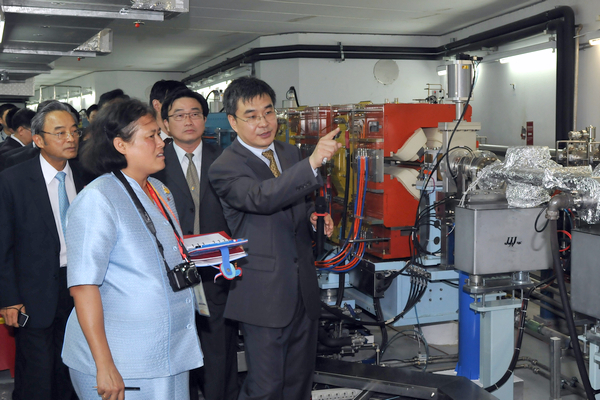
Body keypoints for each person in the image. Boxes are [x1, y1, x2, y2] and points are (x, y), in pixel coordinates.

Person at [208, 76, 340, 400]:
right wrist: (312, 163)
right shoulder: (225, 166)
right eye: (251, 116)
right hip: (263, 295)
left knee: (298, 386)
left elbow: (294, 204)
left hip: (302, 290)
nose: (264, 122)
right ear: (232, 122)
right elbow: (261, 198)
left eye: (268, 112)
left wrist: (311, 217)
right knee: (265, 388)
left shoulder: (289, 153)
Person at [61, 99, 203, 400]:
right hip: (123, 360)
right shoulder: (98, 199)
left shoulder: (160, 191)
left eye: (159, 134)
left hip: (171, 350)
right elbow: (84, 286)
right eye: (151, 135)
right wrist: (104, 364)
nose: (161, 142)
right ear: (120, 144)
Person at [153, 88, 239, 400]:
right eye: (179, 115)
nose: (188, 121)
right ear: (165, 123)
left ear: (205, 119)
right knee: (178, 350)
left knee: (220, 352)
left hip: (217, 272)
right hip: (171, 274)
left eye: (194, 114)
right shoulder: (154, 161)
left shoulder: (227, 158)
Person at [0, 101, 84, 400]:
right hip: (33, 292)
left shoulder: (88, 176)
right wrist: (9, 299)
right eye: (60, 133)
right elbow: (3, 244)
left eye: (74, 131)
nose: (70, 138)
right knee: (37, 375)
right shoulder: (13, 180)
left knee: (73, 370)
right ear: (38, 139)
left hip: (81, 286)